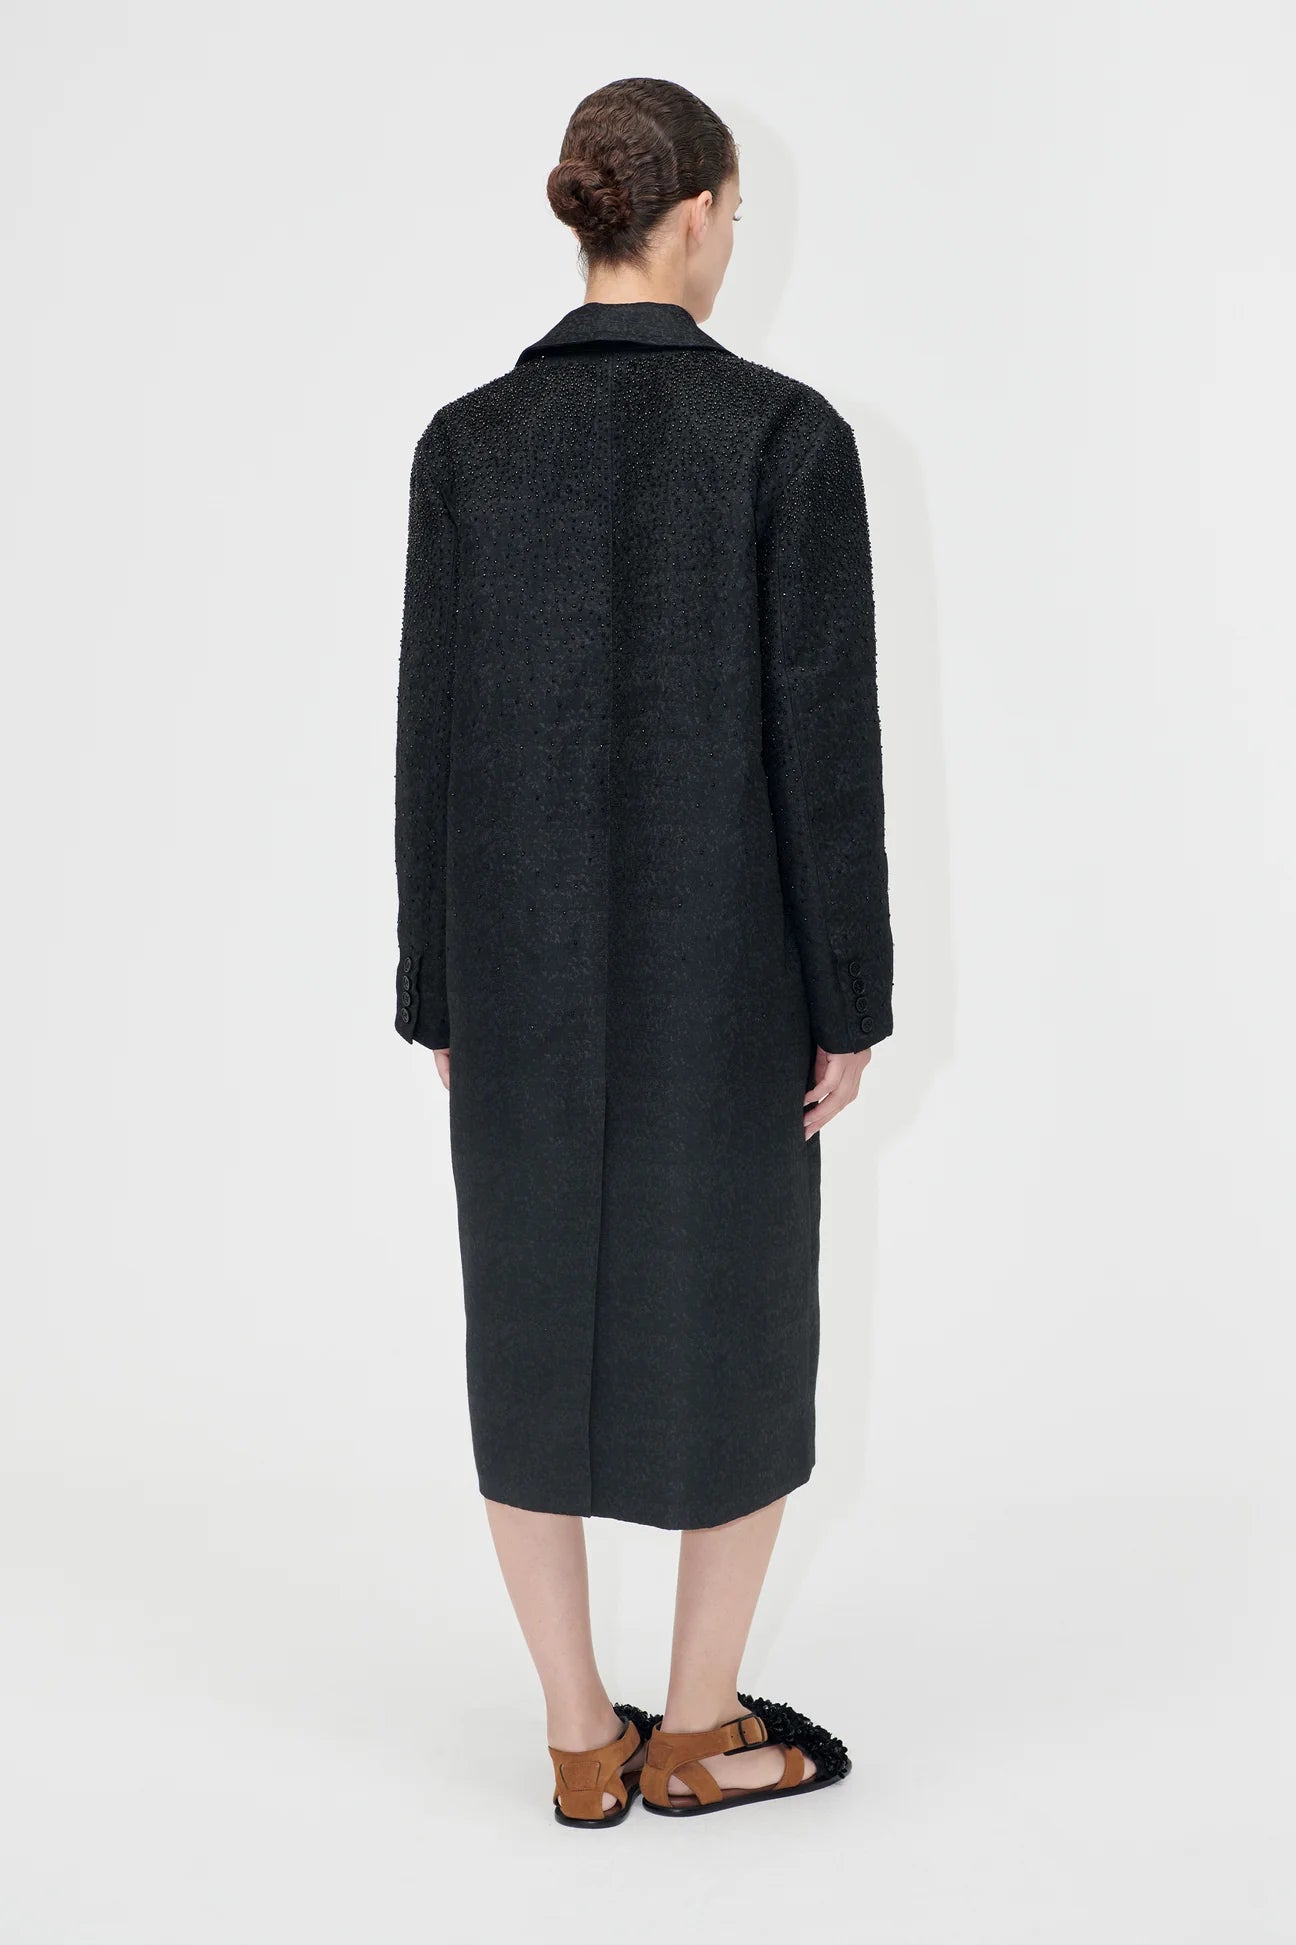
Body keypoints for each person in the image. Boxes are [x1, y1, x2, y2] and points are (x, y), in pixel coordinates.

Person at [392, 76, 893, 1824]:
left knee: (527, 1334)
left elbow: (428, 736)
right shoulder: (784, 438)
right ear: (691, 217)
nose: (735, 239)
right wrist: (849, 998)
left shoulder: (465, 444)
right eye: (736, 213)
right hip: (728, 976)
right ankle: (691, 1727)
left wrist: (433, 987)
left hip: (515, 973)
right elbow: (825, 750)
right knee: (738, 1330)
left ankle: (575, 1737)